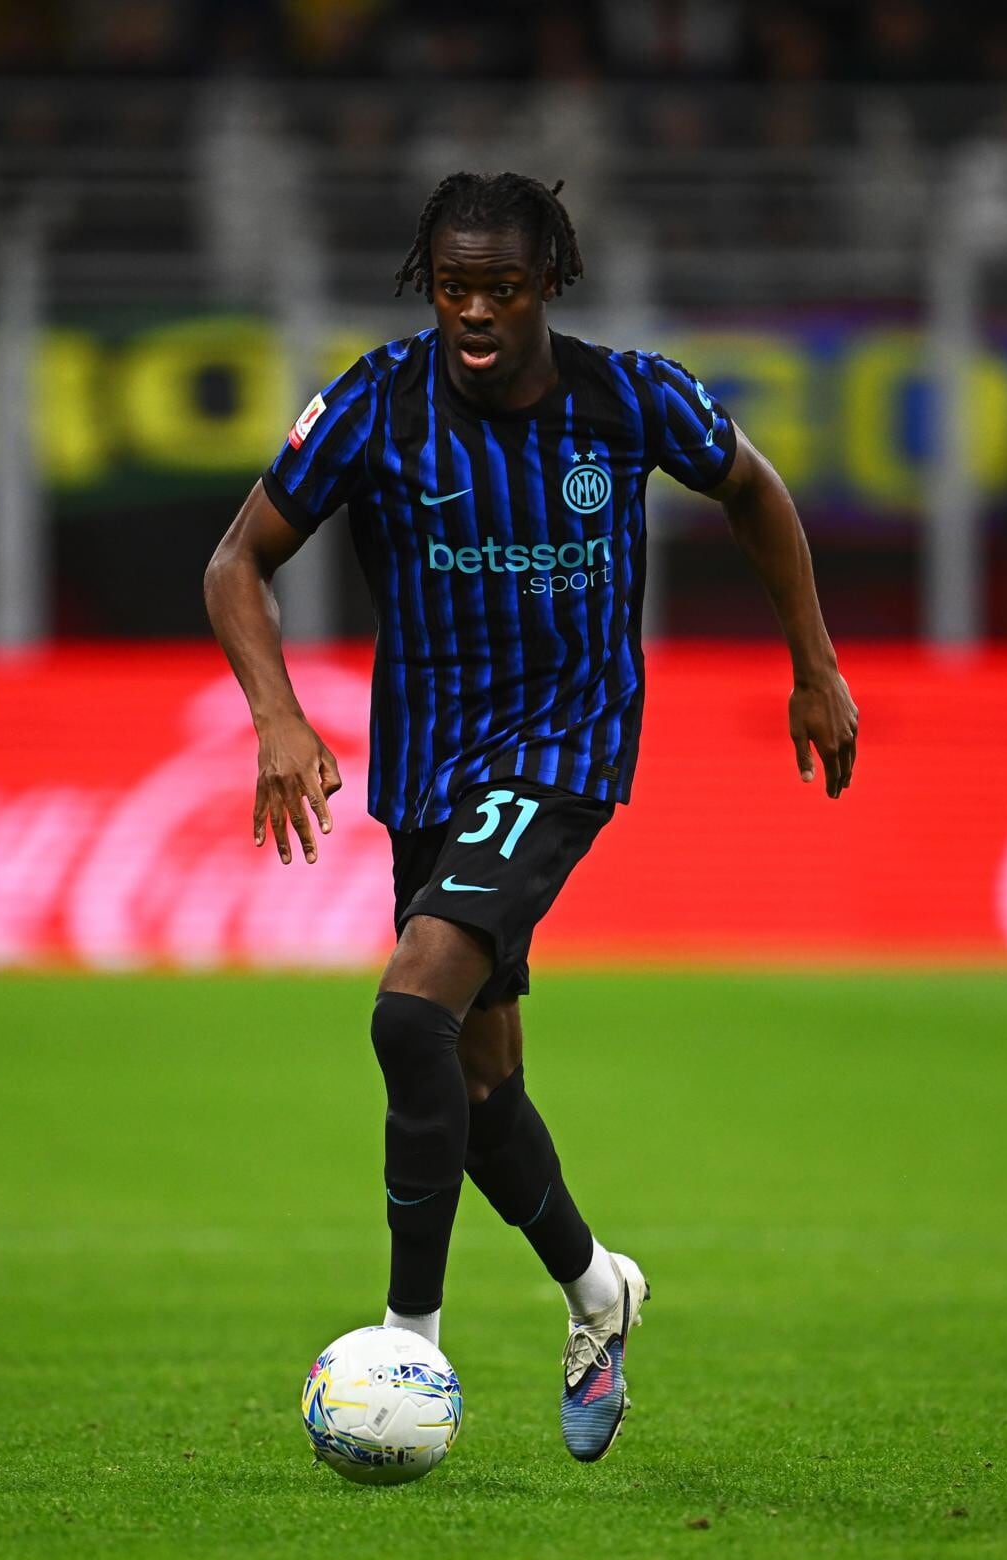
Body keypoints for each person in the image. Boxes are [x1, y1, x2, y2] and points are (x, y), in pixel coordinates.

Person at [204, 170, 858, 1464]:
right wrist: (276, 715)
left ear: (546, 284)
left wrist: (815, 664)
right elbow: (237, 561)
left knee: (409, 1010)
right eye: (454, 287)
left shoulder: (630, 398)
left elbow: (752, 489)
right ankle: (596, 1287)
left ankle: (409, 1342)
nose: (475, 312)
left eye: (500, 287)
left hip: (564, 751)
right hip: (429, 769)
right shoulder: (375, 403)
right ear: (430, 286)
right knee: (478, 1081)